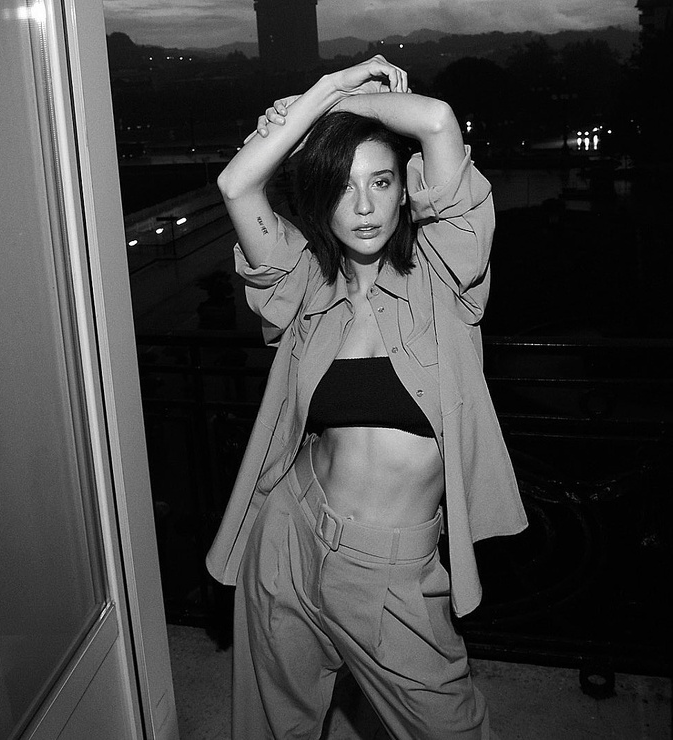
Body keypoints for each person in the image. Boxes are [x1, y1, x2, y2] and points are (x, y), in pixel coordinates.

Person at [206, 56, 528, 739]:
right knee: (273, 728)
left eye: (380, 182)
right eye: (342, 186)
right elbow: (237, 183)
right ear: (319, 199)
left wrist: (337, 103)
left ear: (406, 191)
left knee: (452, 728)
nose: (362, 207)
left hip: (391, 568)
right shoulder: (304, 284)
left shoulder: (447, 275)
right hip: (289, 535)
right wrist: (326, 88)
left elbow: (436, 121)